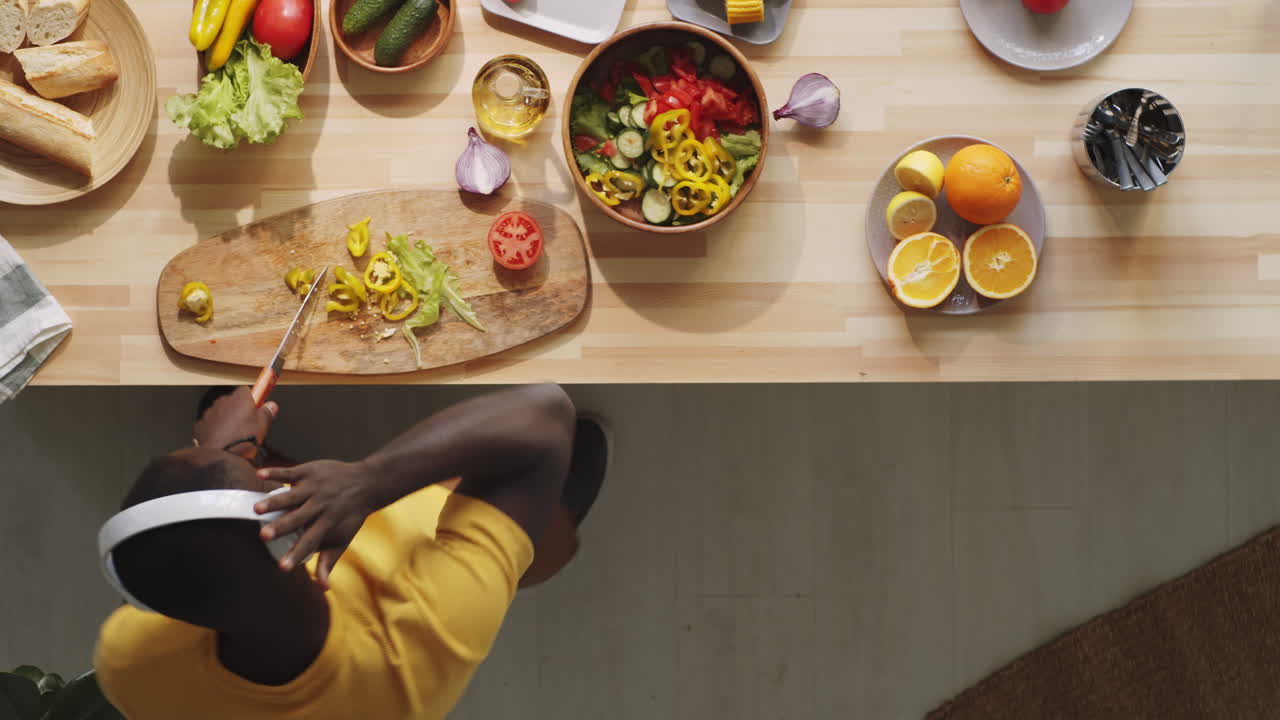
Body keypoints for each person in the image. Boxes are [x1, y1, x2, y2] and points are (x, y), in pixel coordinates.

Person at [94, 383, 608, 719]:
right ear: (293, 534)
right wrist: (370, 480)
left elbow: (176, 554)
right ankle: (546, 537)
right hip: (427, 521)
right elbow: (545, 415)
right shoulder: (423, 640)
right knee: (551, 468)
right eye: (269, 491)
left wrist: (221, 453)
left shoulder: (127, 658)